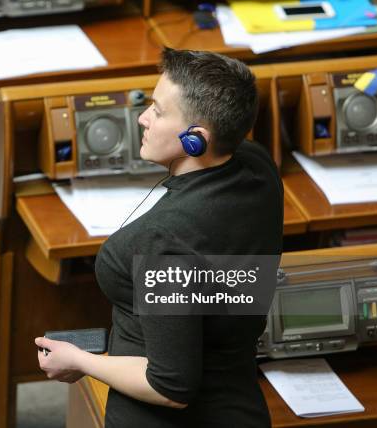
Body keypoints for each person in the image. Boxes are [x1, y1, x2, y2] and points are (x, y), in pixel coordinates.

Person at [35, 48, 283, 427]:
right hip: (240, 400)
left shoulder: (164, 240)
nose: (143, 118)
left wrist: (80, 360)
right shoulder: (257, 166)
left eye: (158, 111)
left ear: (196, 140)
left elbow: (170, 387)